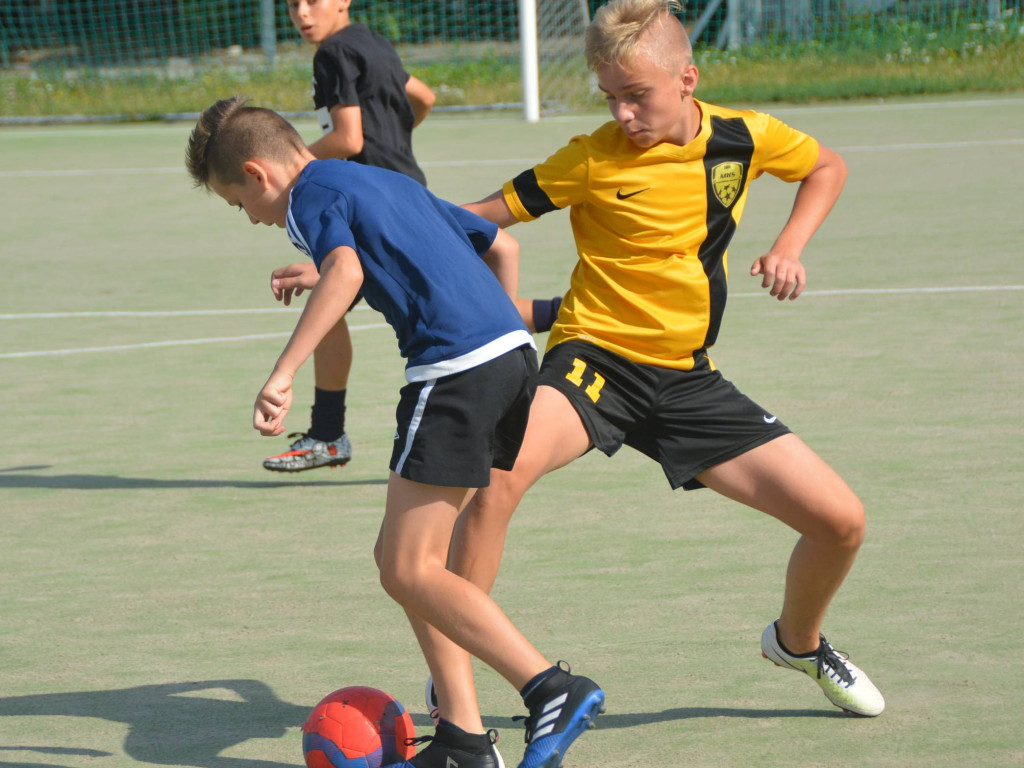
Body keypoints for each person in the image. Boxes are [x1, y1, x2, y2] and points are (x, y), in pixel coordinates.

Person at [447, 0, 885, 720]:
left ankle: (797, 643)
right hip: (594, 359)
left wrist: (789, 246)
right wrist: (364, 243)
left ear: (688, 79)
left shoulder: (743, 138)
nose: (622, 113)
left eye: (636, 95)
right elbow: (479, 215)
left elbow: (825, 166)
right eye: (610, 98)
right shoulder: (588, 158)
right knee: (497, 481)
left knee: (841, 522)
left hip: (686, 377)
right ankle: (454, 673)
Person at [185, 98, 605, 768]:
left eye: (240, 204)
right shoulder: (382, 178)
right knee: (409, 564)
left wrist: (283, 373)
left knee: (406, 566)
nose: (253, 217)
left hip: (455, 371)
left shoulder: (306, 196)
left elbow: (346, 270)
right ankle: (464, 740)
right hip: (513, 362)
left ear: (259, 175)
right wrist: (497, 327)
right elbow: (502, 242)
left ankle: (551, 688)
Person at [265, 0, 562, 474]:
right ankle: (573, 312)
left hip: (368, 211)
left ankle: (327, 434)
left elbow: (348, 139)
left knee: (337, 298)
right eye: (292, 4)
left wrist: (291, 163)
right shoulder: (373, 43)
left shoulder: (332, 55)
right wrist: (397, 139)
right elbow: (423, 96)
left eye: (312, 1)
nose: (302, 13)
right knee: (451, 303)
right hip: (406, 191)